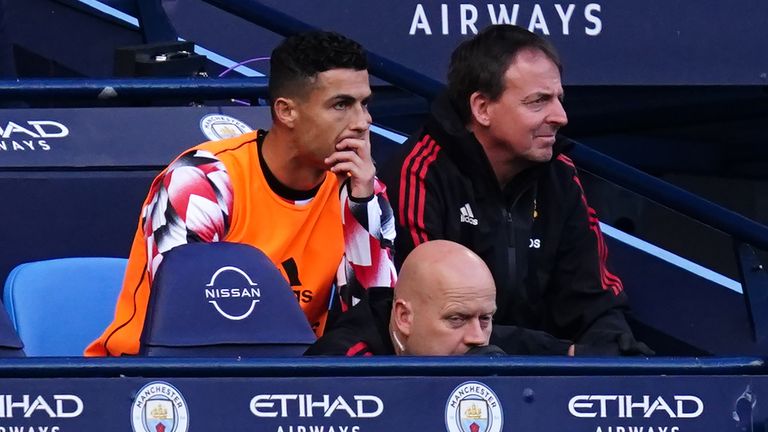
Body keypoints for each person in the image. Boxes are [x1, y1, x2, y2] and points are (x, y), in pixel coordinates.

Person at [86, 31, 397, 356]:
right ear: (286, 111)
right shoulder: (202, 180)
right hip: (152, 380)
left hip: (287, 382)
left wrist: (363, 205)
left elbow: (371, 323)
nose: (363, 122)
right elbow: (188, 319)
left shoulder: (361, 188)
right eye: (341, 105)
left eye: (365, 104)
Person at [381, 25, 651, 356]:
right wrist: (563, 353)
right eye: (538, 101)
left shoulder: (560, 175)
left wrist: (611, 345)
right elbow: (436, 322)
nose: (561, 117)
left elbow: (595, 299)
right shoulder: (419, 172)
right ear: (481, 108)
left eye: (558, 100)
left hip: (547, 379)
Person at [306, 240, 503, 356]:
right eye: (457, 319)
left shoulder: (488, 343)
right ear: (404, 317)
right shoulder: (341, 369)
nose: (478, 338)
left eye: (485, 318)